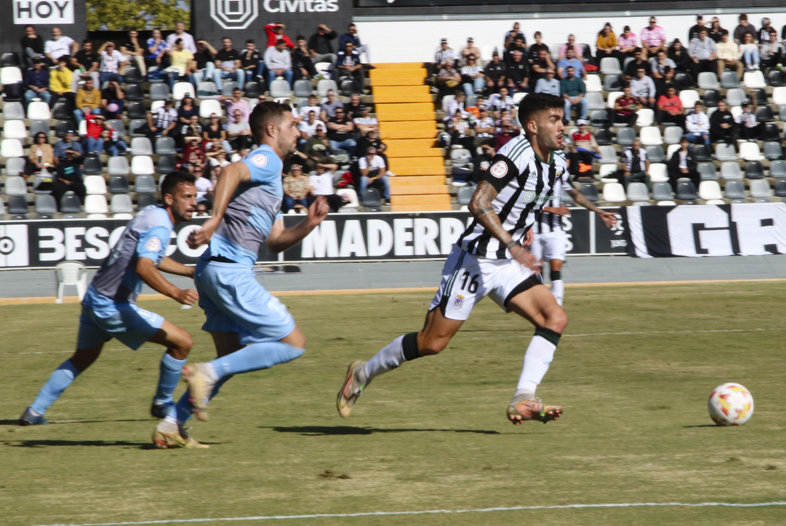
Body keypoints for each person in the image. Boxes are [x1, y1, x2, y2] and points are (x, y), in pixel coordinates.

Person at [337, 93, 617, 425]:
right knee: (431, 343)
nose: (562, 125)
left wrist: (524, 228)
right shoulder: (514, 154)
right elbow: (479, 202)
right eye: (553, 120)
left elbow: (524, 199)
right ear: (531, 125)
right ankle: (362, 373)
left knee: (554, 318)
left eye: (562, 118)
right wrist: (513, 243)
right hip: (476, 260)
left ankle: (524, 397)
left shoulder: (556, 162)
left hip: (510, 265)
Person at [156, 102, 330, 443]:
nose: (299, 131)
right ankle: (203, 373)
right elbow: (230, 171)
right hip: (230, 273)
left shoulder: (271, 178)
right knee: (293, 343)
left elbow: (276, 242)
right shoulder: (266, 159)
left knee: (232, 358)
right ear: (272, 130)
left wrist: (308, 224)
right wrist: (215, 218)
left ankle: (170, 426)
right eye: (293, 125)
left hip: (213, 272)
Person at [20, 172, 200, 430]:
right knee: (183, 342)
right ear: (170, 198)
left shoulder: (151, 213)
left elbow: (152, 258)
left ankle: (34, 411)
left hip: (94, 298)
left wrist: (189, 271)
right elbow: (145, 267)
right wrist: (177, 293)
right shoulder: (161, 227)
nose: (193, 202)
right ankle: (162, 403)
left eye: (195, 196)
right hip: (113, 305)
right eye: (187, 197)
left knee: (83, 358)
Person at [529, 150, 614, 307]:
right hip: (534, 230)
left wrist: (599, 211)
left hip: (555, 230)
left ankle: (557, 308)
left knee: (556, 270)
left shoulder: (560, 172)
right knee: (536, 273)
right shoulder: (531, 171)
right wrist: (549, 209)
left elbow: (577, 196)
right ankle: (539, 307)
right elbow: (524, 200)